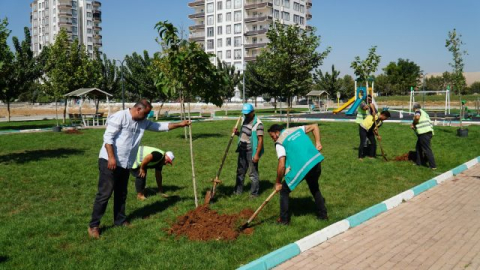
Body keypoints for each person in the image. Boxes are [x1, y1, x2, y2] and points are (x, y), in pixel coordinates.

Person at [88, 100, 190, 239]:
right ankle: (94, 226)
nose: (147, 117)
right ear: (137, 109)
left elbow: (160, 126)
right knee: (105, 194)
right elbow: (108, 138)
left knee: (121, 194)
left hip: (126, 163)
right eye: (145, 113)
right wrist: (111, 158)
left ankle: (120, 220)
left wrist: (180, 124)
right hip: (109, 161)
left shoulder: (143, 121)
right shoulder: (120, 117)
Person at [267, 123, 327, 225]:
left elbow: (281, 164)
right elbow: (315, 126)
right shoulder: (295, 129)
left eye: (272, 137)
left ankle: (284, 220)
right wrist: (318, 142)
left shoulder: (279, 142)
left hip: (303, 166)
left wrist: (278, 182)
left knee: (284, 190)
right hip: (315, 161)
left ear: (277, 133)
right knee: (314, 187)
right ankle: (323, 215)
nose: (273, 139)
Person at [233, 103, 264, 197]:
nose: (246, 115)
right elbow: (244, 135)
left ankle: (254, 194)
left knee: (252, 174)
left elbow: (260, 140)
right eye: (245, 113)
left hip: (251, 151)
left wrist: (257, 154)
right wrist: (237, 133)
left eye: (247, 113)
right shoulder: (244, 120)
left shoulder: (258, 124)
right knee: (240, 171)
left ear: (252, 112)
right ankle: (238, 191)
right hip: (242, 149)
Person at [411, 103, 436, 169]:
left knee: (426, 149)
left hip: (424, 133)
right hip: (427, 132)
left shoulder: (418, 111)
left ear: (414, 108)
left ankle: (432, 166)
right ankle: (419, 162)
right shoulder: (424, 112)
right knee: (418, 148)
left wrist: (413, 123)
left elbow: (417, 117)